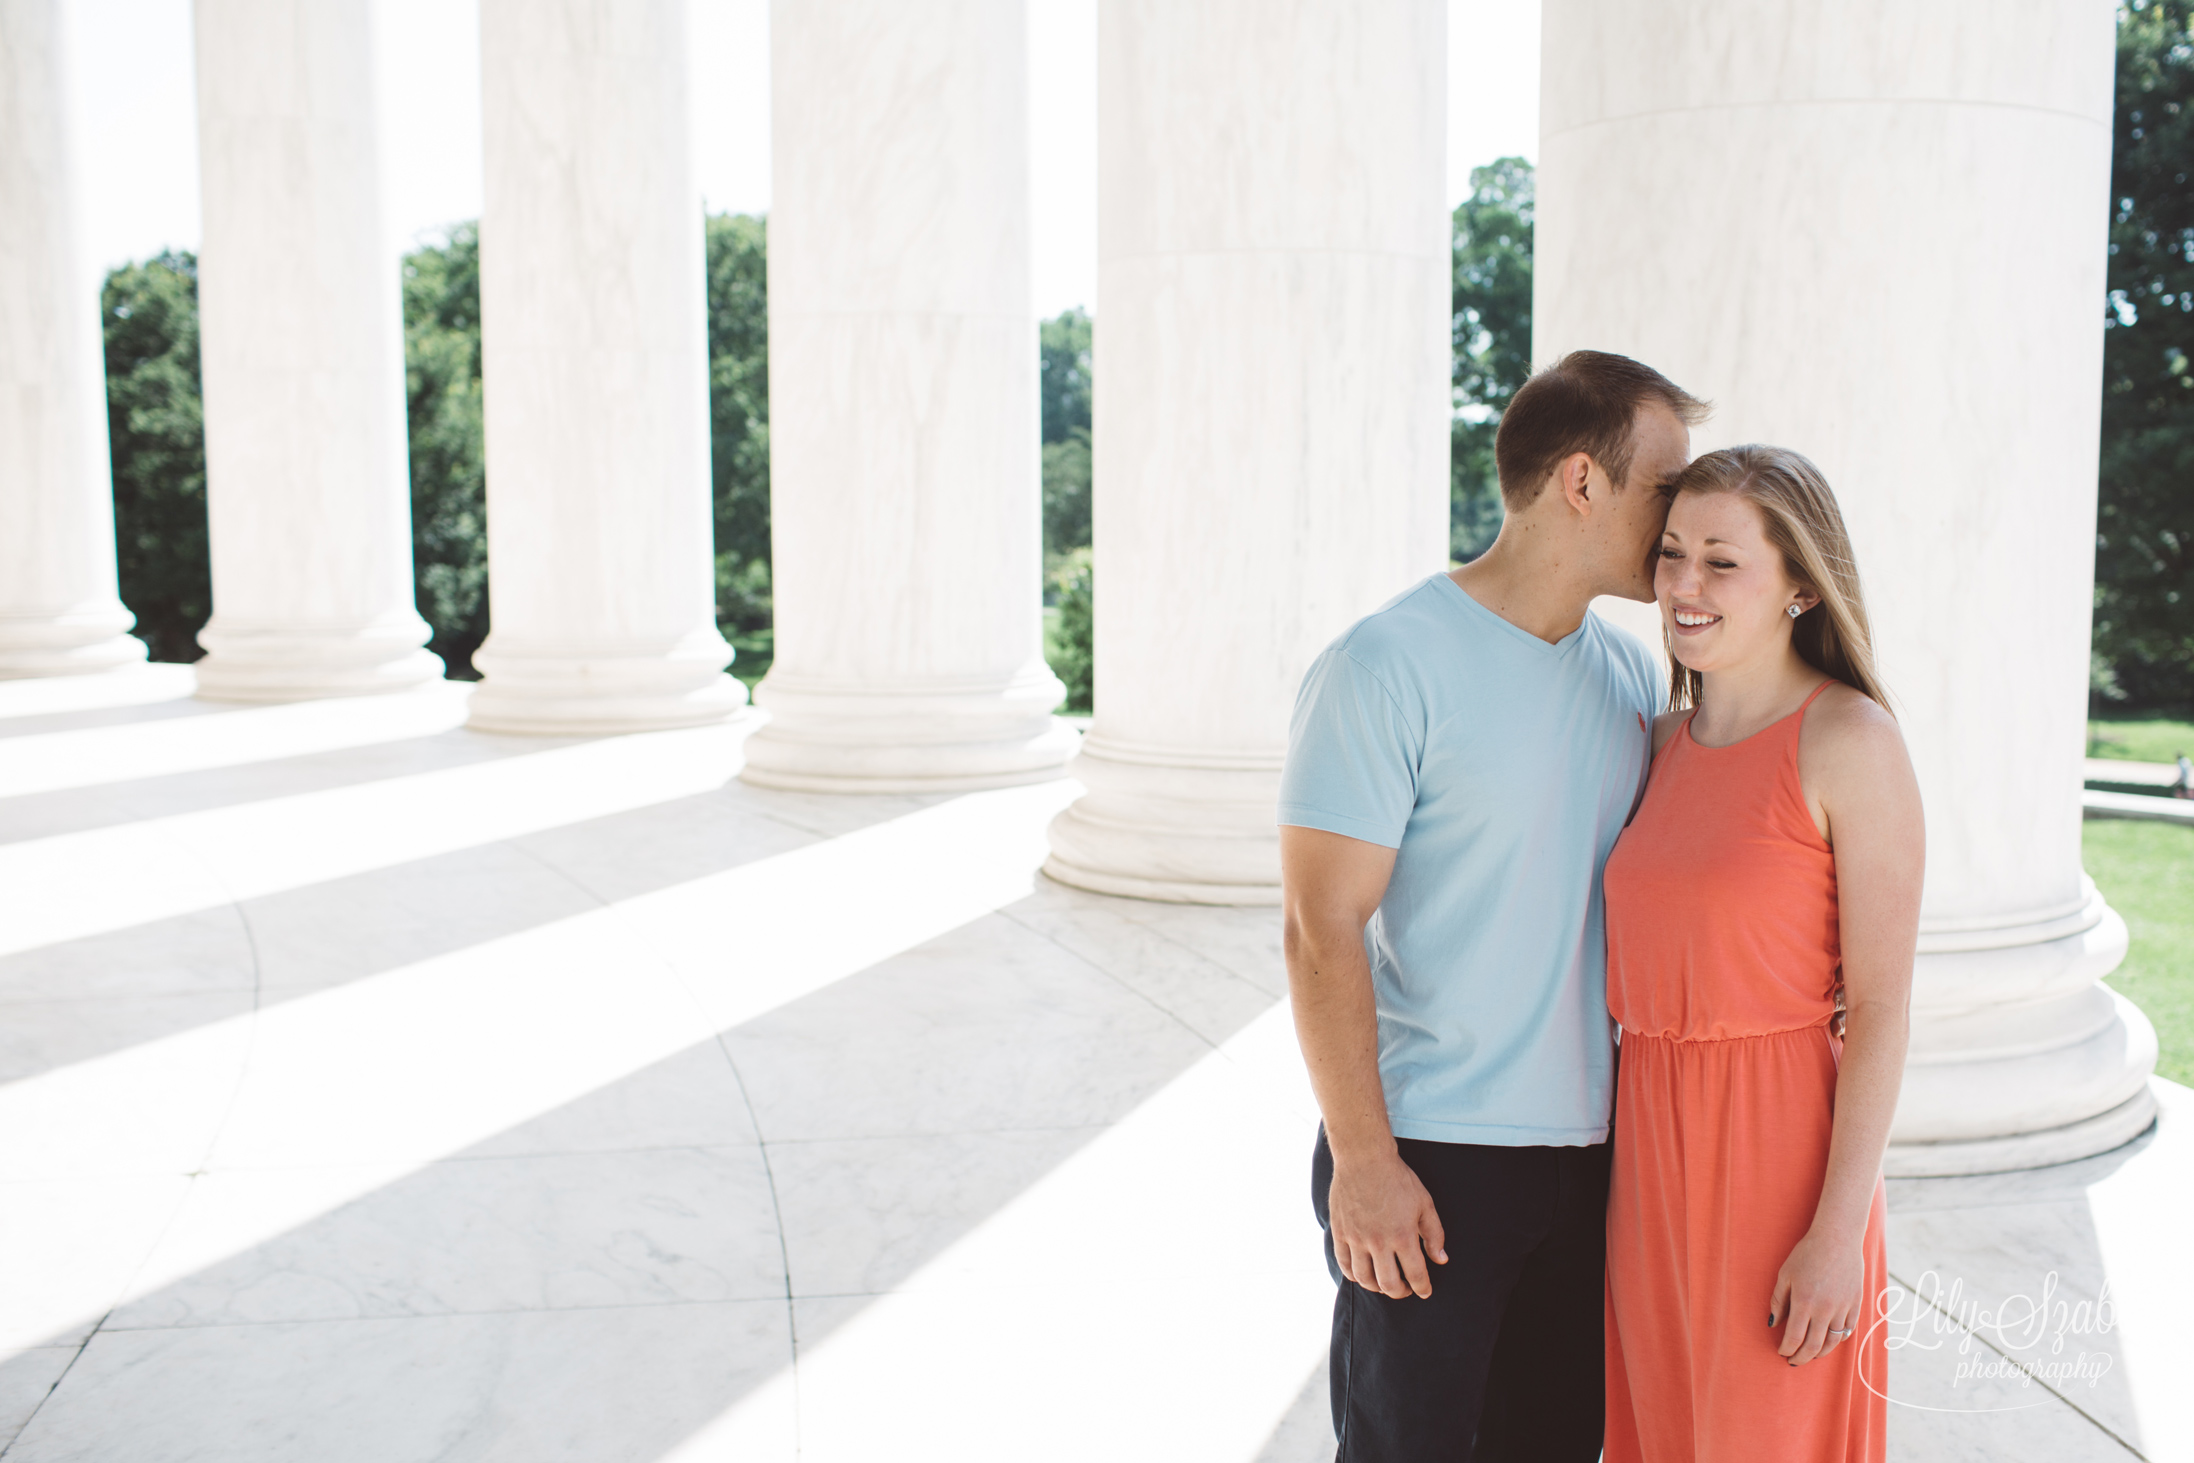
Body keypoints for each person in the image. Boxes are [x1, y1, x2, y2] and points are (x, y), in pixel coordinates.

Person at [1278, 350, 1708, 1461]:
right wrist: (1363, 1161)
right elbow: (1318, 931)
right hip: (1431, 1150)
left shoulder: (1625, 675)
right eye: (1664, 488)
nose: (1681, 519)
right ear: (1581, 481)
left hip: (1589, 1152)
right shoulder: (1384, 664)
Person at [1601, 446, 1923, 1463]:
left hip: (1781, 1156)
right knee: (1659, 1433)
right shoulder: (1653, 745)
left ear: (1796, 582)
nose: (1682, 586)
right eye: (1669, 554)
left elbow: (1879, 1008)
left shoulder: (1848, 739)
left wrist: (1837, 1238)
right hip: (1644, 1150)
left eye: (1720, 562)